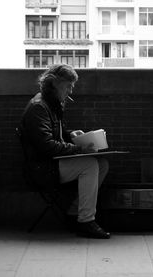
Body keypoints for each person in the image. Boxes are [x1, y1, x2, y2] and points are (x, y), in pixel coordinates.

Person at [20, 64, 110, 239]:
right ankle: (85, 221)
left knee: (102, 164)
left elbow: (53, 136)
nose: (70, 92)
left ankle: (74, 213)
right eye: (68, 86)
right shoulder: (39, 108)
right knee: (90, 164)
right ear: (54, 84)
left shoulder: (49, 103)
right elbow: (46, 145)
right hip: (42, 168)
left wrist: (70, 135)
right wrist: (79, 149)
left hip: (50, 162)